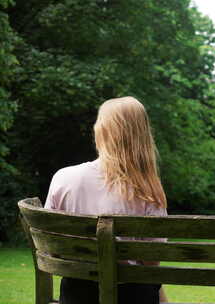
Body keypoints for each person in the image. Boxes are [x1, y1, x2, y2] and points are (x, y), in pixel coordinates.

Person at [45, 96, 168, 304]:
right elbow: (151, 261)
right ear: (143, 136)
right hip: (132, 297)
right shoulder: (149, 192)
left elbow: (52, 249)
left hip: (76, 294)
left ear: (101, 131)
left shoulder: (63, 177)